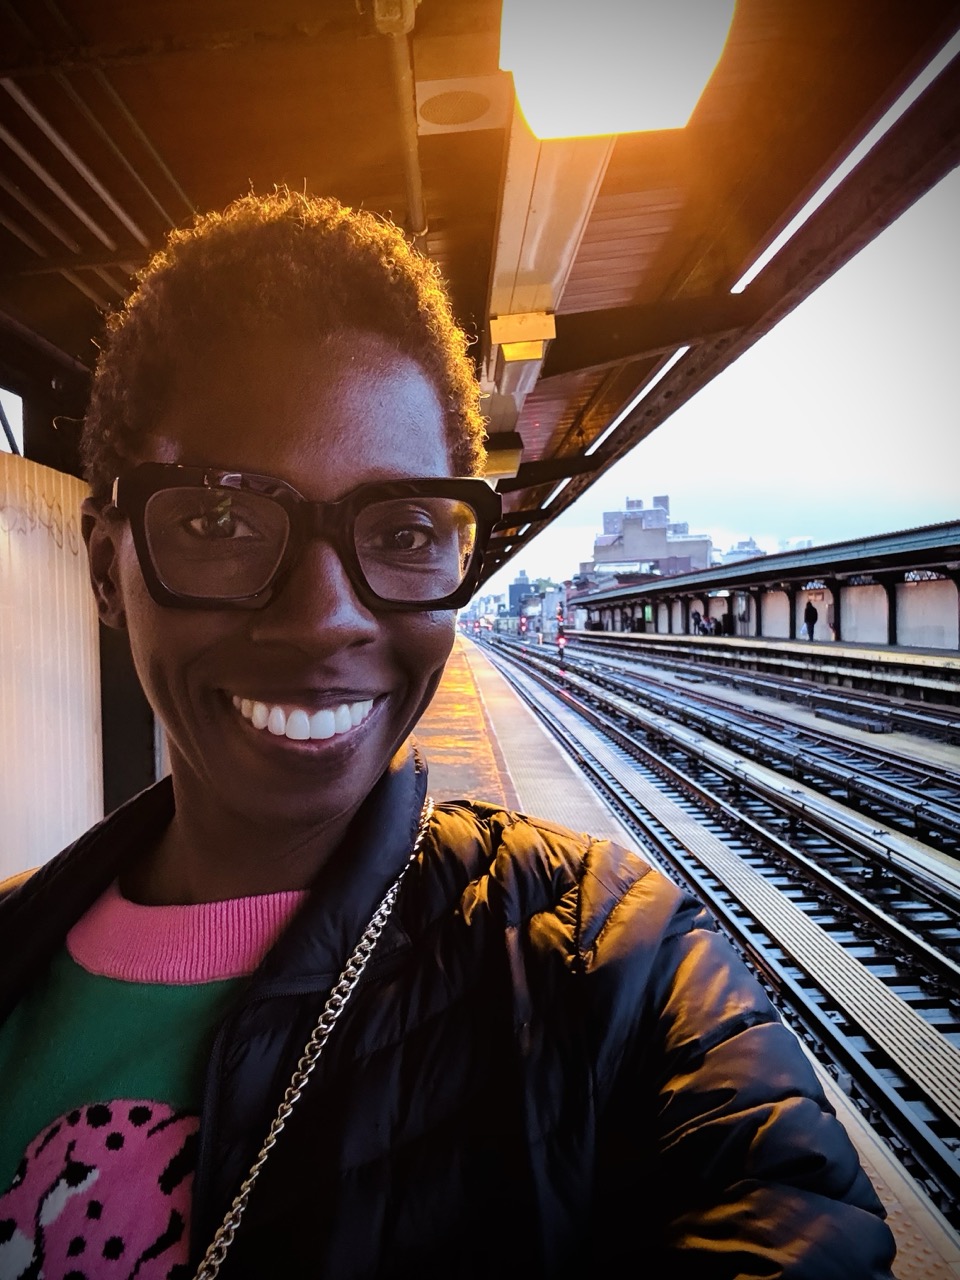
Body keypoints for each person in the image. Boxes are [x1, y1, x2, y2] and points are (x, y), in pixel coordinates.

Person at [0, 191, 896, 1280]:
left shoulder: (616, 970)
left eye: (406, 530)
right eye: (224, 519)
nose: (326, 615)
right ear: (107, 565)